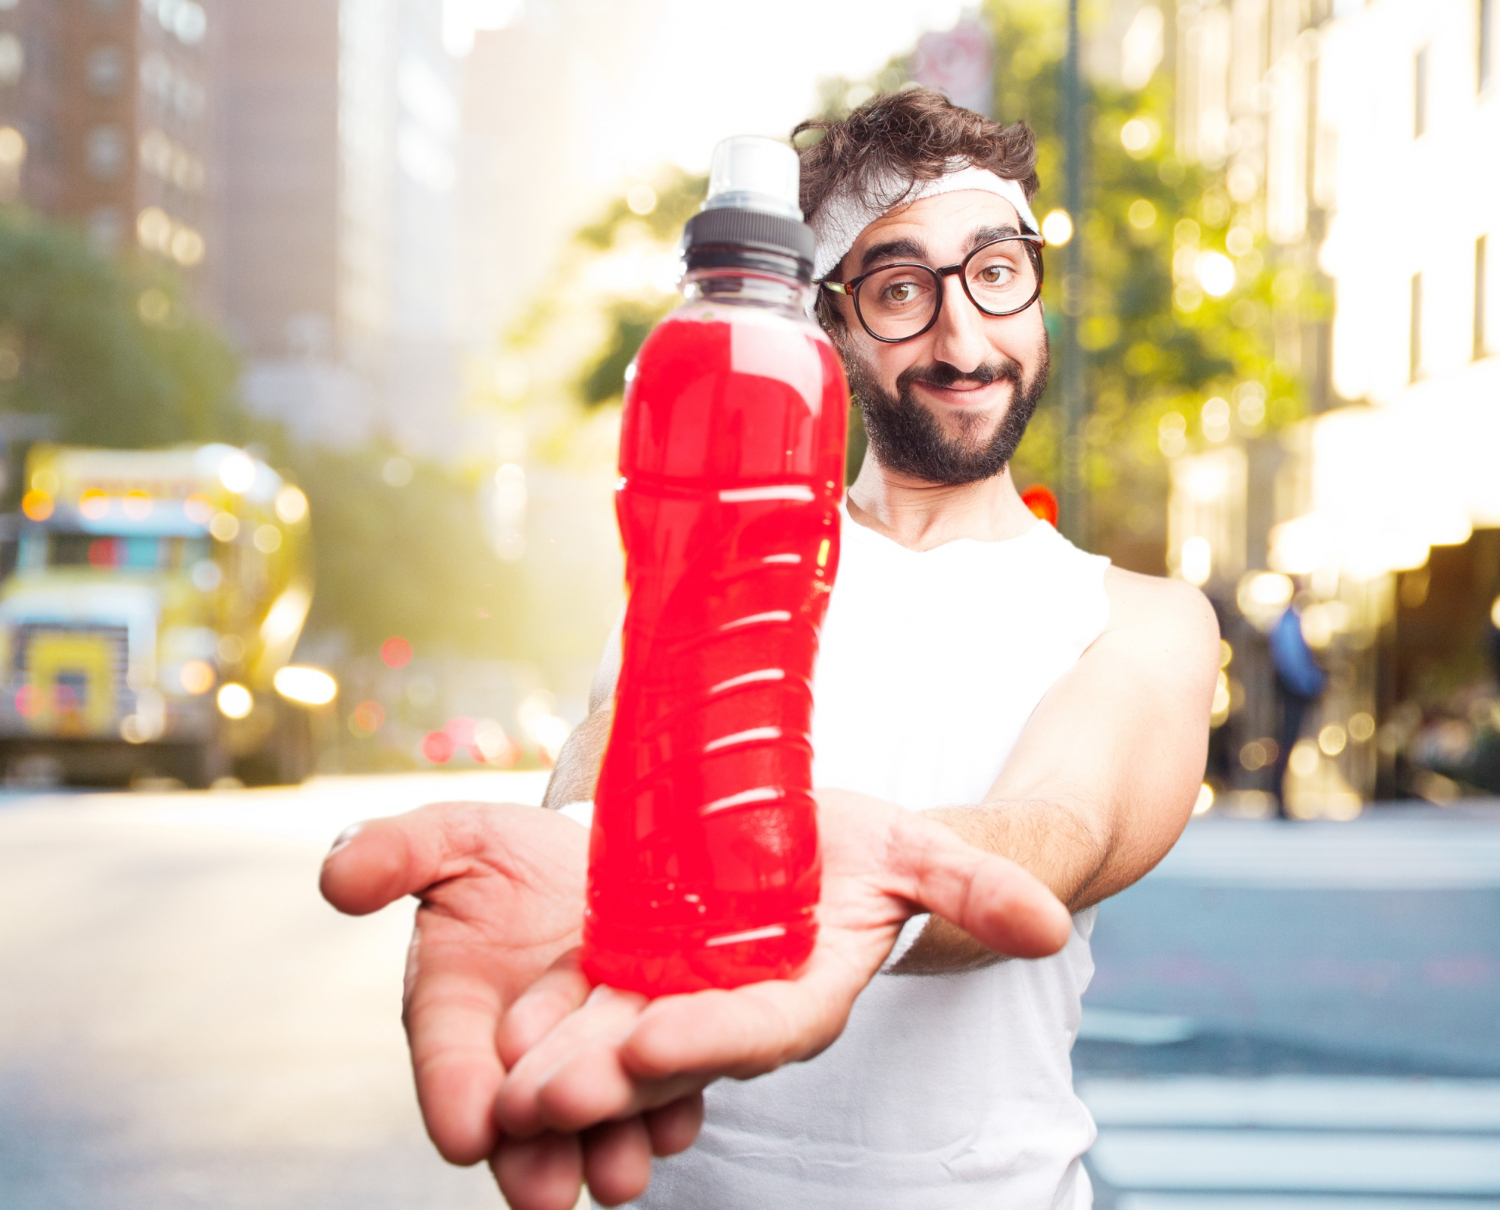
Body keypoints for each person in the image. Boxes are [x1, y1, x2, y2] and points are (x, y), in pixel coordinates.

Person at [321, 90, 1220, 1210]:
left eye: (995, 272)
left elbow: (1067, 825)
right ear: (832, 323)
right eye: (901, 290)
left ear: (1037, 287)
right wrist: (586, 867)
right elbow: (613, 767)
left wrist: (841, 882)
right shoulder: (720, 547)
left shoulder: (1135, 613)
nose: (962, 337)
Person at [1266, 602, 1327, 818]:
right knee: (1286, 743)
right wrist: (1311, 684)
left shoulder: (1291, 621)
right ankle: (1279, 799)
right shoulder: (1290, 622)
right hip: (1293, 692)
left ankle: (1280, 799)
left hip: (1292, 689)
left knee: (1286, 743)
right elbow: (1292, 661)